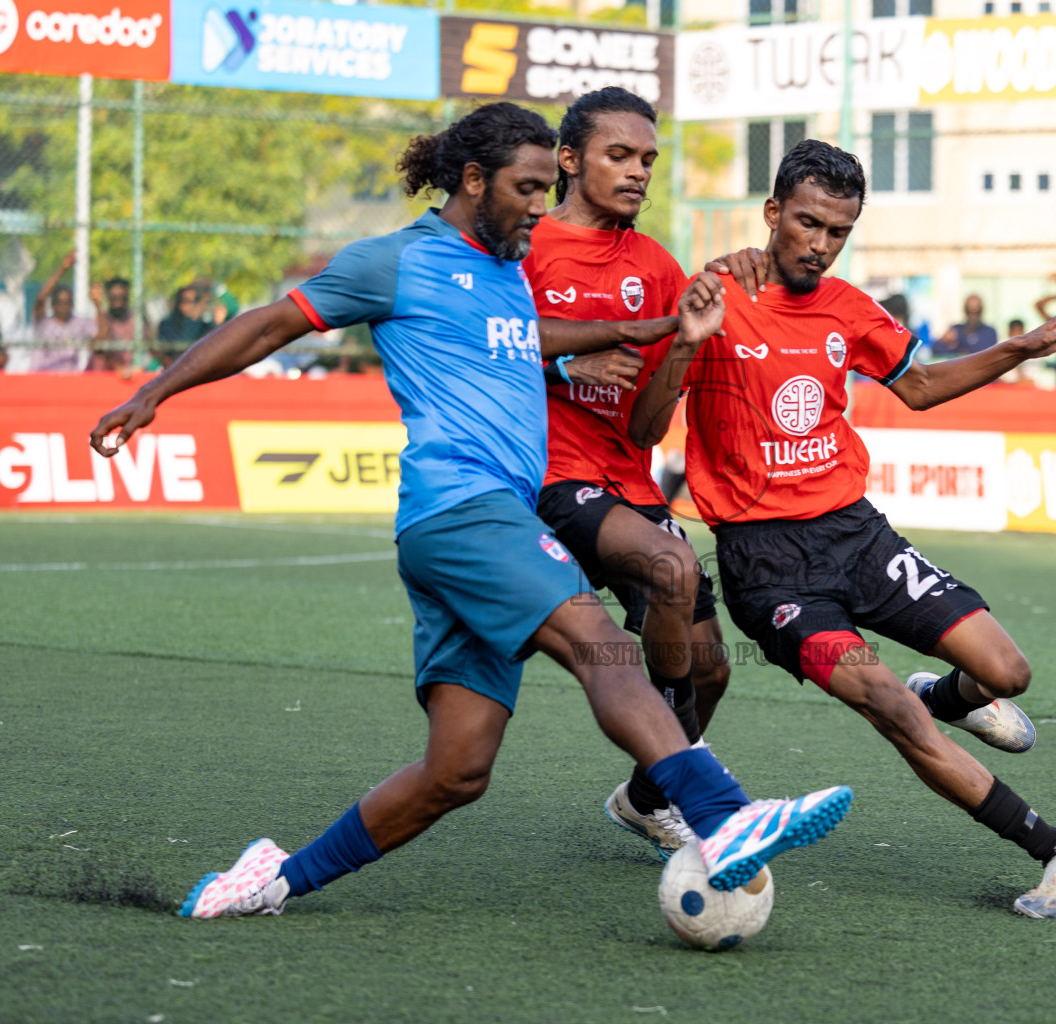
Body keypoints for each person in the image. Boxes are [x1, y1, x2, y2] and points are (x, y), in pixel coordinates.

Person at [87, 102, 850, 921]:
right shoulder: (397, 261)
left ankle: (272, 880)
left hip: (468, 529)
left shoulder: (506, 268)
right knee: (599, 643)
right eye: (526, 188)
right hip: (464, 509)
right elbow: (271, 324)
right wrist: (153, 392)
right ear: (475, 181)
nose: (539, 204)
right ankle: (721, 814)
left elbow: (523, 332)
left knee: (456, 771)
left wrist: (662, 324)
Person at [633, 140, 1056, 919]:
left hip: (858, 537)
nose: (819, 244)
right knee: (890, 706)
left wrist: (1021, 347)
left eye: (838, 231)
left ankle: (951, 694)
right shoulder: (713, 295)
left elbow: (918, 387)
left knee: (1007, 672)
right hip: (770, 569)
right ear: (773, 213)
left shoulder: (848, 307)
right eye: (808, 223)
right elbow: (651, 426)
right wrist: (687, 336)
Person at [521, 87, 733, 859]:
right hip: (546, 477)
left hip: (628, 483)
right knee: (673, 565)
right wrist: (567, 357)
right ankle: (686, 781)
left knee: (711, 674)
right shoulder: (526, 245)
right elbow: (480, 341)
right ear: (569, 161)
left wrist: (683, 345)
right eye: (619, 155)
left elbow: (647, 428)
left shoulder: (656, 266)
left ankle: (647, 798)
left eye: (647, 158)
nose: (638, 171)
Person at [28, 252, 96, 372]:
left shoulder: (79, 323)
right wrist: (63, 268)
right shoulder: (43, 323)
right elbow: (41, 299)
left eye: (68, 302)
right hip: (43, 376)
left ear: (72, 304)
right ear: (53, 305)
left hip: (69, 379)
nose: (64, 307)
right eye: (60, 302)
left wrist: (98, 305)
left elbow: (100, 337)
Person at [929, 294, 997, 359]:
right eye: (969, 310)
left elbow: (988, 353)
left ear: (982, 310)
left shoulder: (989, 332)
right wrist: (943, 340)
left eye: (977, 310)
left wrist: (961, 352)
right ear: (964, 310)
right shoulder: (956, 330)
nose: (973, 314)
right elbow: (936, 349)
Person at [91, 276, 135, 371]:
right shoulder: (100, 318)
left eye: (122, 297)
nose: (118, 302)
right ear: (108, 297)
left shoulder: (135, 320)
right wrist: (98, 305)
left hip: (129, 375)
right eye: (114, 298)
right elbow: (101, 345)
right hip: (103, 375)